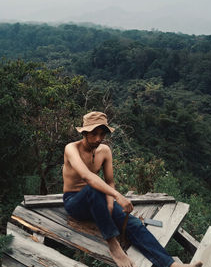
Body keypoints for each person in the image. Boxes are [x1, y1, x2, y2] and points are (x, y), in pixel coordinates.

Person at [62, 111, 203, 267]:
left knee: (133, 224)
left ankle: (172, 265)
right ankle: (113, 245)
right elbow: (87, 176)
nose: (98, 139)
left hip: (98, 201)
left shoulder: (104, 151)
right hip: (75, 202)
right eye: (94, 134)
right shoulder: (71, 149)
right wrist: (117, 196)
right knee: (92, 189)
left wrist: (110, 202)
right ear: (85, 132)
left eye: (102, 134)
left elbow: (109, 181)